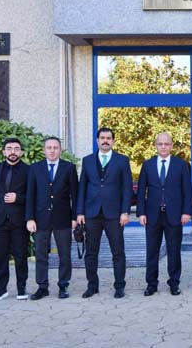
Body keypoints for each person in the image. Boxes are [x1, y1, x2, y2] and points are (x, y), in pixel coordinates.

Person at [77, 127, 133, 299]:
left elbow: (127, 188)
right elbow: (82, 187)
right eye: (102, 138)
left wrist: (125, 212)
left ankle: (119, 286)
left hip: (114, 214)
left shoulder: (122, 160)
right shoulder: (87, 160)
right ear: (97, 140)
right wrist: (80, 212)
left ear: (113, 141)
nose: (105, 141)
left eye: (109, 138)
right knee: (91, 253)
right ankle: (92, 286)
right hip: (91, 213)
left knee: (118, 252)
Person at [137, 132, 192, 297]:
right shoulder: (147, 165)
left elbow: (187, 190)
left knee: (174, 251)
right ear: (156, 145)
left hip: (174, 215)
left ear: (171, 146)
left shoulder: (181, 165)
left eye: (166, 144)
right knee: (152, 251)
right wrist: (141, 213)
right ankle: (151, 284)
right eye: (160, 144)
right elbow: (141, 191)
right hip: (152, 215)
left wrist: (186, 212)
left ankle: (174, 283)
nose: (163, 147)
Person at [25, 136, 78, 300]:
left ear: (60, 150)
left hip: (63, 218)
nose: (52, 150)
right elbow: (30, 195)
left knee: (64, 254)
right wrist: (30, 218)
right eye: (49, 147)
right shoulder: (35, 168)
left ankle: (63, 285)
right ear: (44, 150)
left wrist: (75, 217)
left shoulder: (69, 168)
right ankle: (42, 287)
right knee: (41, 254)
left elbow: (75, 195)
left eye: (55, 147)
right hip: (40, 219)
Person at [0, 137, 31, 301]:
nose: (13, 152)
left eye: (16, 148)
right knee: (1, 256)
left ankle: (21, 288)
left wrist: (18, 198)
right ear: (3, 152)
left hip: (19, 220)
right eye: (9, 148)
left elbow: (32, 196)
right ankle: (1, 289)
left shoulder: (28, 170)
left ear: (21, 152)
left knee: (21, 256)